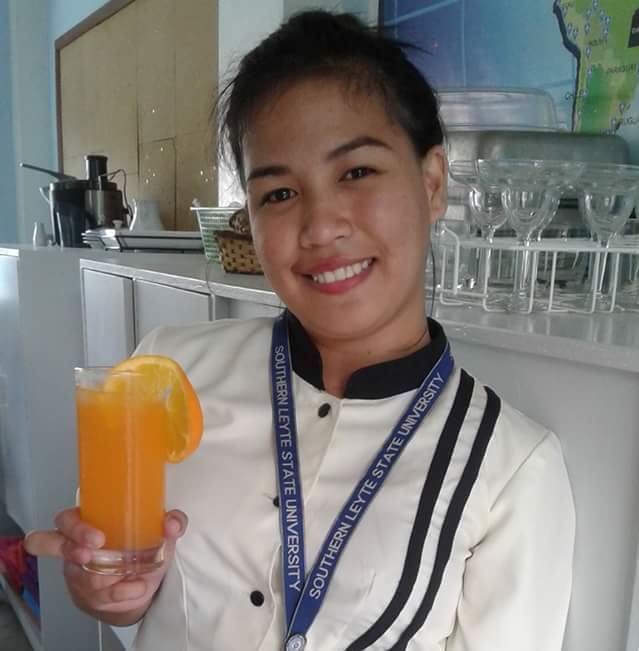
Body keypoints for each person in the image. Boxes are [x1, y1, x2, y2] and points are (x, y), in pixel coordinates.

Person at [25, 11, 575, 651]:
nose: (319, 227)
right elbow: (122, 587)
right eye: (279, 194)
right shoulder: (167, 377)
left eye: (357, 172)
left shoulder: (511, 469)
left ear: (431, 184)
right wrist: (107, 591)